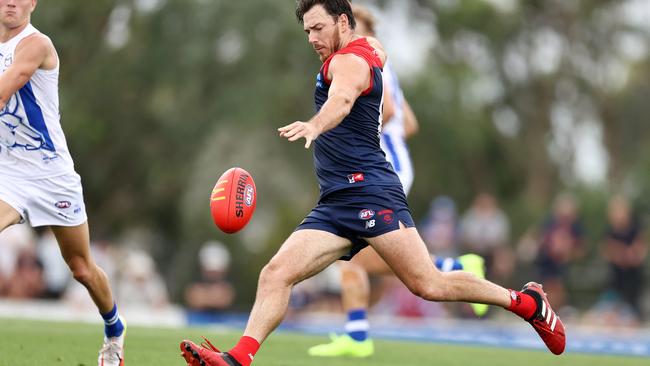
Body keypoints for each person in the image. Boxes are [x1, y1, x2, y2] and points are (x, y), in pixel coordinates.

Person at [179, 2, 565, 365]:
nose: (311, 37)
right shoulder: (365, 51)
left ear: (342, 22)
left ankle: (525, 302)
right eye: (306, 30)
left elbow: (343, 100)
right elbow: (374, 56)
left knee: (428, 283)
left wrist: (314, 124)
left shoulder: (347, 62)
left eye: (317, 28)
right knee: (276, 273)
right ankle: (236, 358)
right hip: (334, 203)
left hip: (370, 192)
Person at [306, 5, 486, 358]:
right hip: (391, 161)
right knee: (356, 255)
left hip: (382, 165)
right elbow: (410, 122)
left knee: (362, 252)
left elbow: (388, 111)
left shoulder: (367, 63)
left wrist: (363, 134)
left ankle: (456, 268)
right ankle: (357, 334)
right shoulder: (375, 63)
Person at [0, 1, 126, 365]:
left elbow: (4, 90)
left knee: (81, 268)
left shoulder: (36, 44)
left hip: (51, 175)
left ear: (33, 3)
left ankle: (114, 330)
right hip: (9, 175)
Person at [601, 195, 647, 321]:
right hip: (615, 285)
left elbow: (635, 256)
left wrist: (620, 252)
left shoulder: (635, 230)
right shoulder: (609, 232)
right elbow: (609, 253)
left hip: (632, 287)